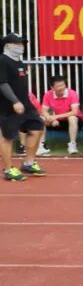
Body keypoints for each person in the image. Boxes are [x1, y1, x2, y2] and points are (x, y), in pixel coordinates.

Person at [0, 32, 45, 180]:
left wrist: (24, 101)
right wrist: (14, 101)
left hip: (25, 103)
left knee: (37, 126)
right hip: (8, 106)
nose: (21, 46)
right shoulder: (3, 60)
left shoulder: (19, 62)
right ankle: (8, 170)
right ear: (7, 46)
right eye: (18, 43)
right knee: (7, 136)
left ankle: (28, 163)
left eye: (22, 43)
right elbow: (2, 83)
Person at [41, 75, 82, 155]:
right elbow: (44, 111)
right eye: (58, 86)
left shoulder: (72, 93)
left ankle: (72, 145)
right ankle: (42, 145)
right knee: (41, 119)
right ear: (52, 87)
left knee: (72, 117)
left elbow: (74, 112)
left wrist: (55, 117)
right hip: (56, 122)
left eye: (63, 85)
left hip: (74, 121)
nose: (61, 88)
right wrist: (51, 119)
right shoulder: (48, 94)